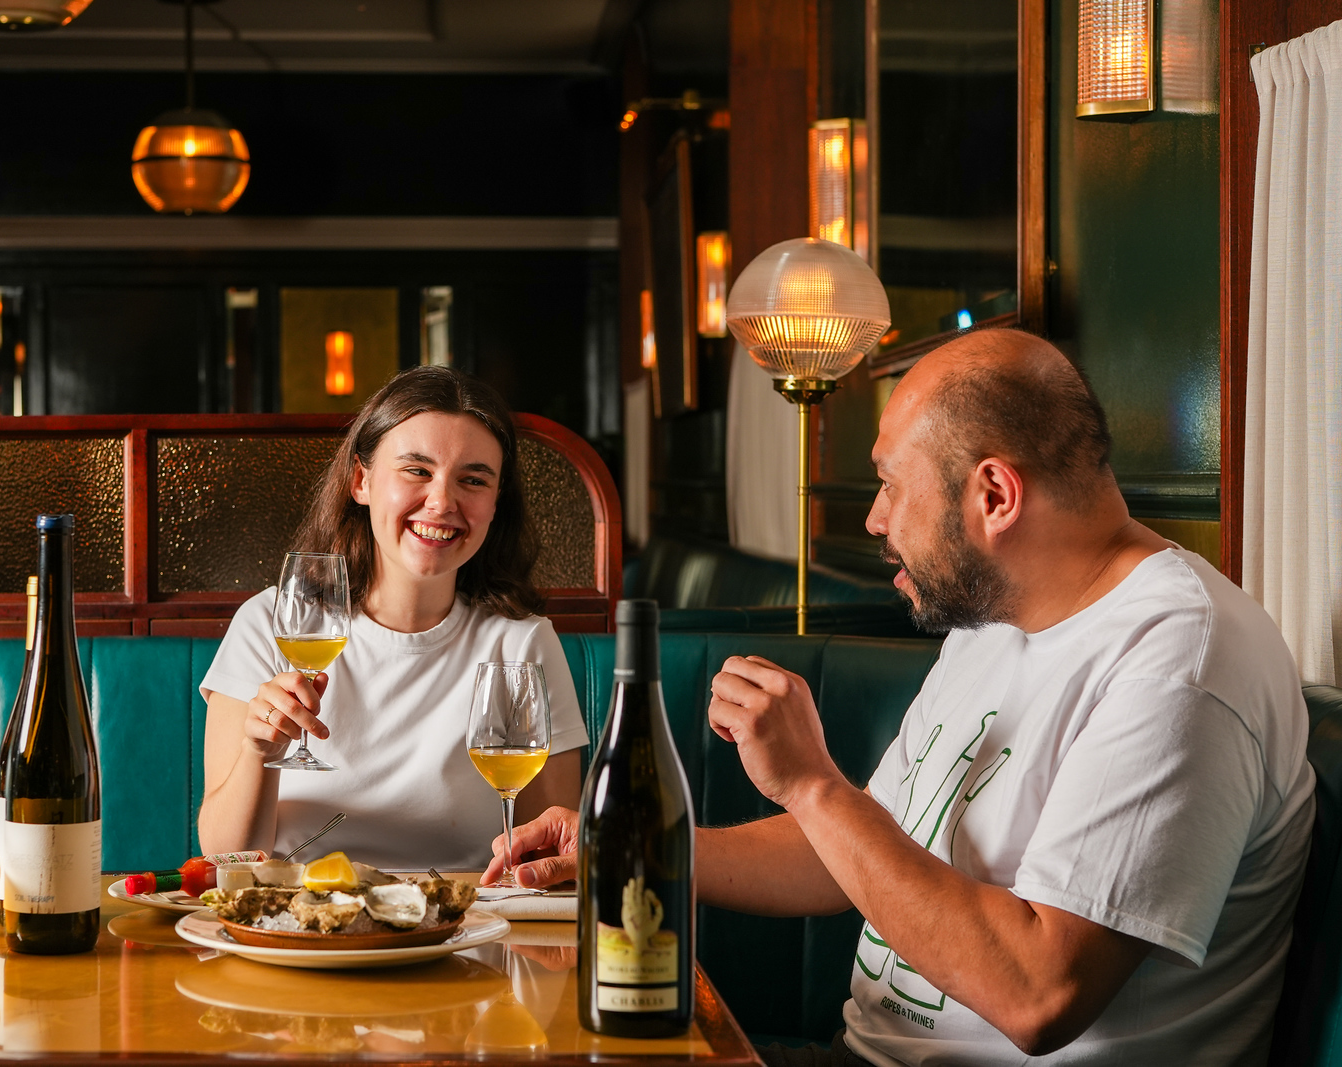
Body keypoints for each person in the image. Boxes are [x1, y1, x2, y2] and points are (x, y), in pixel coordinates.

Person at [490, 331, 1315, 1065]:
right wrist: (634, 851)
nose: (877, 517)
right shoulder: (998, 611)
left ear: (994, 495)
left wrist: (813, 782)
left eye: (891, 483)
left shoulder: (1180, 659)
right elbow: (860, 853)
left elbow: (1040, 995)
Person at [198, 366, 589, 869]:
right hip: (297, 929)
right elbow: (226, 856)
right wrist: (258, 751)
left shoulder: (523, 644)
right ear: (361, 480)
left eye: (473, 479)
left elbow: (554, 859)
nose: (442, 501)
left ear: (495, 503)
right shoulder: (270, 623)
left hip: (463, 931)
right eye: (417, 470)